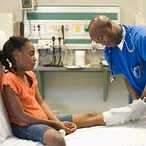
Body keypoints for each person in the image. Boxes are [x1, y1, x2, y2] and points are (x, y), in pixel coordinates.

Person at [1, 36, 146, 146]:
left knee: (91, 116)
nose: (35, 59)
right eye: (31, 54)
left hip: (41, 118)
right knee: (57, 139)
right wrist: (56, 125)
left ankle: (130, 115)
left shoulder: (29, 75)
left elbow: (41, 103)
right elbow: (21, 116)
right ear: (16, 55)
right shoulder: (9, 80)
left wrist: (56, 120)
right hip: (25, 125)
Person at [88, 15, 146, 102]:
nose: (102, 44)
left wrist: (143, 99)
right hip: (138, 98)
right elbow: (126, 77)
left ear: (109, 25)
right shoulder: (109, 52)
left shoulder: (140, 37)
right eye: (98, 42)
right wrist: (136, 101)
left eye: (101, 38)